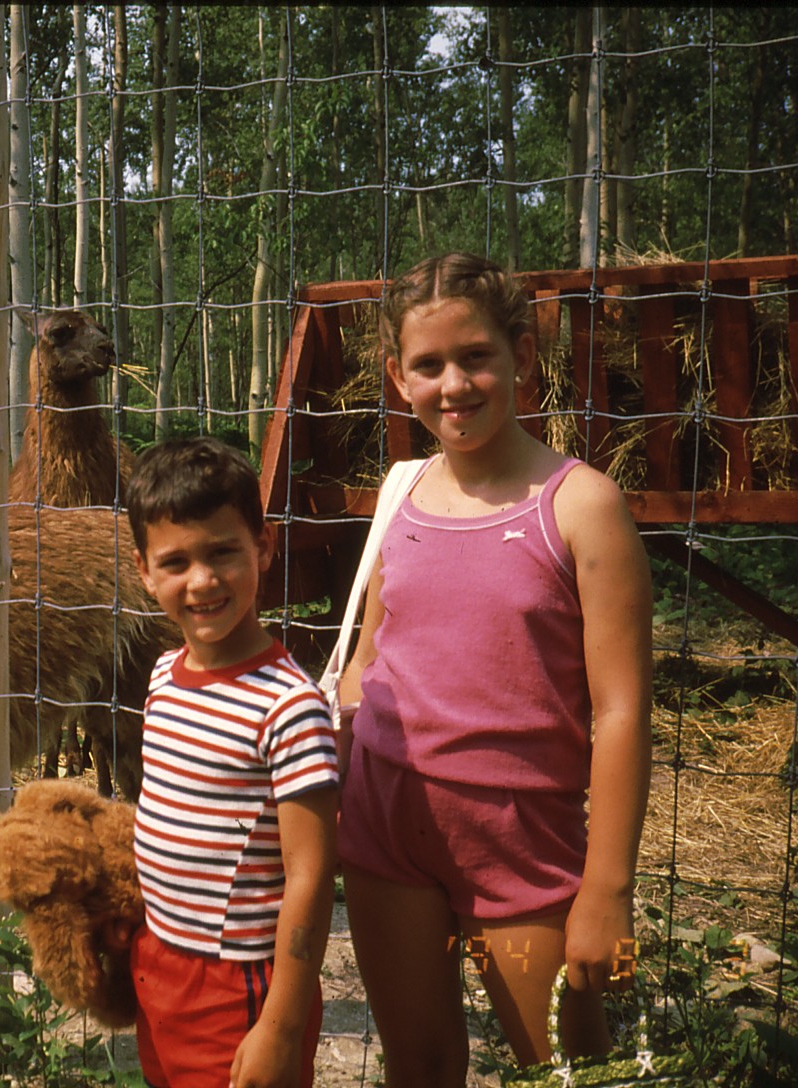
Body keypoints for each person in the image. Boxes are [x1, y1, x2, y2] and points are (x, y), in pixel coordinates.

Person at [334, 252, 654, 1085]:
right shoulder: (400, 494)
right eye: (428, 365)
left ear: (523, 355)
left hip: (522, 843)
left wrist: (607, 891)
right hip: (384, 827)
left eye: (476, 356)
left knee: (568, 1072)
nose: (454, 384)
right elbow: (367, 660)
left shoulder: (582, 505)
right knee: (420, 1065)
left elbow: (622, 711)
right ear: (398, 377)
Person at [125, 436, 341, 1088]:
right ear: (144, 571)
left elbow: (310, 875)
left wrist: (280, 1025)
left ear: (263, 547)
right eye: (175, 562)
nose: (202, 581)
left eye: (222, 552)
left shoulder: (289, 707)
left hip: (238, 984)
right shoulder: (164, 676)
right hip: (159, 961)